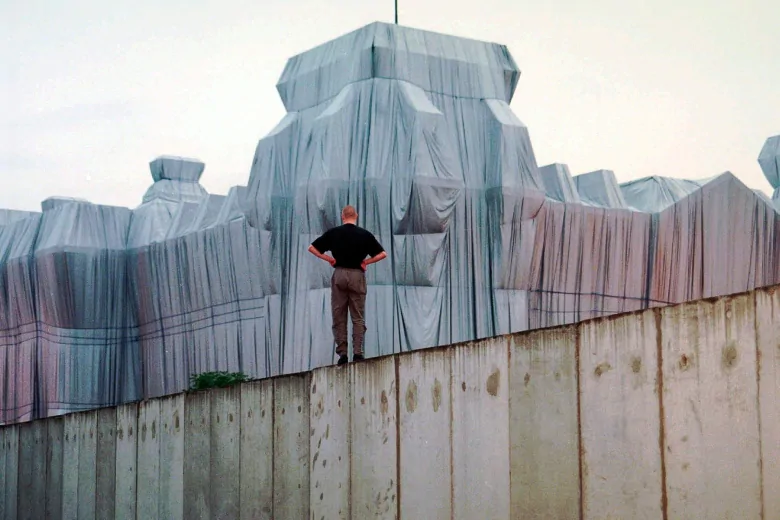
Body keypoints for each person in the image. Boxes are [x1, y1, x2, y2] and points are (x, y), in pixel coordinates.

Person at [308, 205, 387, 365]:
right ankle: (358, 353)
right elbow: (382, 254)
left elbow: (312, 248)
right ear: (356, 216)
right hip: (357, 275)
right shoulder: (365, 235)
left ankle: (342, 354)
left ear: (342, 216)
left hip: (339, 274)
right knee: (357, 316)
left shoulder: (334, 233)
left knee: (339, 315)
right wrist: (366, 262)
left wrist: (330, 259)